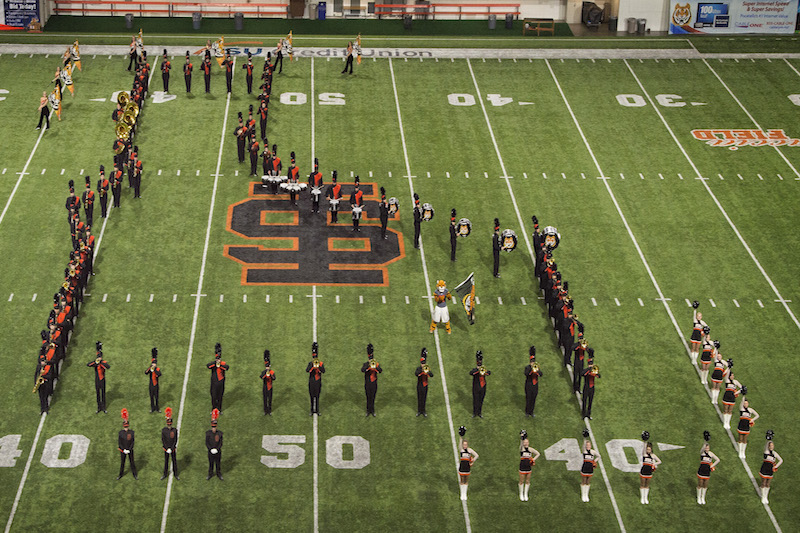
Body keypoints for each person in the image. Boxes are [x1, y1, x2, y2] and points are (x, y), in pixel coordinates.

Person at [696, 431, 719, 504]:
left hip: (707, 471)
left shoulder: (711, 454)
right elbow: (703, 447)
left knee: (705, 485)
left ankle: (703, 497)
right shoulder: (702, 453)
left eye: (708, 448)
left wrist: (712, 465)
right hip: (701, 470)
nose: (706, 449)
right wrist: (705, 440)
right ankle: (698, 497)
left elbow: (718, 460)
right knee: (700, 484)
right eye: (706, 448)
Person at [518, 431, 540, 501]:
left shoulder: (531, 449)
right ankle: (521, 494)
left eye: (527, 442)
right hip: (522, 467)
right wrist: (522, 437)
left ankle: (525, 494)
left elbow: (538, 454)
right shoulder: (522, 448)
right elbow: (521, 443)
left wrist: (533, 459)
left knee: (527, 481)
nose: (526, 443)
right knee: (521, 481)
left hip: (528, 467)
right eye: (524, 442)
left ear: (528, 443)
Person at [87, 342, 109, 413]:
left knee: (103, 394)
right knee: (98, 394)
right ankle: (99, 407)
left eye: (99, 357)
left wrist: (101, 362)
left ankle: (104, 407)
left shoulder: (103, 362)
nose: (99, 358)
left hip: (102, 380)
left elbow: (108, 366)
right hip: (97, 380)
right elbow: (88, 364)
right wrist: (95, 362)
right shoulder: (95, 363)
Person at [759, 436, 783, 504]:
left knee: (768, 484)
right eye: (771, 445)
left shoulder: (775, 453)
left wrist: (775, 467)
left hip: (770, 470)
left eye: (773, 445)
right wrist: (768, 439)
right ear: (768, 446)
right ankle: (763, 496)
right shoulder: (766, 452)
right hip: (764, 469)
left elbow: (781, 460)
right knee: (763, 483)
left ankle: (766, 496)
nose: (772, 446)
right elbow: (765, 446)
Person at [361, 343, 382, 417]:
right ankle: (368, 410)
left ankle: (372, 410)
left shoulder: (376, 364)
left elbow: (380, 370)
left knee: (373, 397)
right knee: (368, 397)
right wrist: (368, 365)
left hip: (374, 384)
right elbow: (362, 370)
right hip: (367, 384)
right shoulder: (365, 364)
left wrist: (376, 366)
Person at [207, 343, 229, 413]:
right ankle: (214, 408)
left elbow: (227, 368)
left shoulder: (223, 364)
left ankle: (219, 409)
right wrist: (215, 363)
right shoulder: (213, 364)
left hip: (221, 383)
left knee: (220, 397)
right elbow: (208, 366)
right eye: (217, 359)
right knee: (213, 396)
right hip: (214, 383)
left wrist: (220, 365)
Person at [458, 428, 478, 501]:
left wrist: (472, 461)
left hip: (467, 467)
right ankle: (462, 493)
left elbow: (477, 455)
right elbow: (459, 445)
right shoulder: (461, 450)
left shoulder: (470, 450)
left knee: (466, 481)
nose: (464, 446)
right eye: (464, 444)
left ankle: (465, 494)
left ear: (467, 445)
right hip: (462, 467)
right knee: (461, 480)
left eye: (465, 444)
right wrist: (461, 437)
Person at [639, 440, 661, 504]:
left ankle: (646, 498)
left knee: (647, 485)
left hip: (649, 472)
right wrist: (645, 442)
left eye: (649, 449)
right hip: (643, 471)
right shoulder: (644, 454)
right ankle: (642, 498)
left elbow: (659, 461)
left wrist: (654, 464)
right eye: (647, 449)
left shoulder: (653, 455)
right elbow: (644, 449)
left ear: (651, 449)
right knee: (642, 484)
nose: (648, 450)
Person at [117, 408, 137, 480]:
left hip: (130, 450)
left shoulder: (132, 432)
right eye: (125, 427)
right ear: (123, 426)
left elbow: (132, 442)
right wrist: (123, 449)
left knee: (132, 462)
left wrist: (129, 449)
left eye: (127, 427)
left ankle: (134, 474)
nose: (126, 428)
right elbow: (119, 442)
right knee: (122, 463)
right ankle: (120, 474)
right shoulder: (120, 433)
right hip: (123, 451)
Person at [469, 351, 490, 418]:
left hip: (483, 387)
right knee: (475, 400)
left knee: (481, 400)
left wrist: (484, 370)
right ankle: (475, 413)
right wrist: (478, 370)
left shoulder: (484, 369)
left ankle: (479, 413)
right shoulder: (475, 370)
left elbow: (489, 373)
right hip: (476, 387)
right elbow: (471, 373)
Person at [523, 346, 542, 417]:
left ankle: (531, 411)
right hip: (528, 385)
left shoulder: (537, 367)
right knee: (528, 398)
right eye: (531, 362)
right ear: (530, 362)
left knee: (533, 398)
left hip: (535, 386)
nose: (532, 363)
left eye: (533, 362)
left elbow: (541, 374)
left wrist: (537, 371)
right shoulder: (527, 368)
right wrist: (532, 370)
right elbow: (526, 374)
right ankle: (527, 412)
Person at [306, 342, 324, 415]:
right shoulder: (310, 363)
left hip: (318, 382)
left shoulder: (321, 363)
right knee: (311, 397)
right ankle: (311, 410)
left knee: (317, 397)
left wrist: (319, 366)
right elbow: (307, 370)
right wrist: (312, 366)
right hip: (311, 382)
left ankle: (317, 410)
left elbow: (323, 371)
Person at [161, 407, 179, 480]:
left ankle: (176, 474)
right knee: (166, 462)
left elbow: (175, 440)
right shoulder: (164, 430)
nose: (169, 426)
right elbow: (163, 440)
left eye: (170, 424)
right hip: (166, 449)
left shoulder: (175, 430)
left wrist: (171, 448)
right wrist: (166, 448)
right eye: (168, 424)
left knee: (174, 461)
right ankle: (165, 474)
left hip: (172, 449)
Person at [580, 433, 599, 502]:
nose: (588, 446)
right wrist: (585, 438)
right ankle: (583, 495)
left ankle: (586, 495)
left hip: (590, 468)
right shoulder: (584, 451)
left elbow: (599, 456)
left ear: (591, 446)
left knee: (588, 482)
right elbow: (583, 446)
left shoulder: (593, 452)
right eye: (587, 445)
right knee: (584, 481)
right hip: (584, 468)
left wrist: (594, 461)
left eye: (589, 445)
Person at [415, 348, 433, 417]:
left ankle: (423, 411)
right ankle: (419, 411)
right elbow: (416, 374)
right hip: (419, 385)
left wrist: (427, 371)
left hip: (425, 385)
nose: (423, 364)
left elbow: (431, 375)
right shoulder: (418, 368)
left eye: (424, 363)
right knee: (419, 398)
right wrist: (421, 370)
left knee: (424, 398)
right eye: (422, 363)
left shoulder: (427, 368)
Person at [206, 408, 223, 480]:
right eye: (213, 427)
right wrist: (210, 449)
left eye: (215, 427)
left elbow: (221, 443)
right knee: (211, 463)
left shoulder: (220, 433)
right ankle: (210, 474)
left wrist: (217, 449)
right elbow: (207, 443)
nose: (214, 428)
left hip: (218, 451)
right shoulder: (208, 433)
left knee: (218, 463)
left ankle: (219, 473)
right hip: (210, 451)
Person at [581, 355, 600, 420]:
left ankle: (588, 414)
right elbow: (582, 373)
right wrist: (589, 369)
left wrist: (595, 371)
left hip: (592, 388)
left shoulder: (594, 370)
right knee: (584, 401)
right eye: (590, 364)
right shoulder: (586, 370)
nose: (591, 365)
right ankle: (583, 414)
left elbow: (599, 376)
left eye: (591, 364)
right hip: (586, 387)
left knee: (590, 401)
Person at [146, 348, 161, 413]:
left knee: (156, 397)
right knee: (151, 397)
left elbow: (159, 374)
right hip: (151, 385)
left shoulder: (157, 369)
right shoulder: (150, 368)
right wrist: (150, 368)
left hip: (156, 385)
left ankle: (157, 408)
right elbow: (146, 372)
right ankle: (152, 408)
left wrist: (154, 369)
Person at [260, 350, 276, 415]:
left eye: (268, 367)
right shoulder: (263, 372)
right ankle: (265, 411)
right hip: (265, 387)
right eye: (266, 367)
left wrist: (270, 375)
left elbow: (274, 378)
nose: (267, 368)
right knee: (265, 399)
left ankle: (269, 411)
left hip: (270, 387)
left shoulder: (272, 372)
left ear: (269, 366)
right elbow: (261, 377)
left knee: (270, 399)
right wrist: (265, 374)